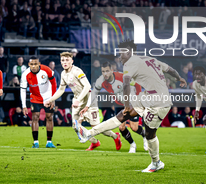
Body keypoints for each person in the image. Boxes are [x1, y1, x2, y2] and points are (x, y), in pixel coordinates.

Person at [75, 40, 187, 172]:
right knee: (123, 115)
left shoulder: (130, 63)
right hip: (148, 95)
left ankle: (156, 163)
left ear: (128, 52)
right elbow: (171, 70)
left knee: (150, 134)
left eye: (121, 53)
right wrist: (180, 78)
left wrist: (127, 104)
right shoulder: (150, 59)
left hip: (160, 102)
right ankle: (88, 133)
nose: (119, 57)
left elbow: (126, 84)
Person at [44, 52, 122, 151]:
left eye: (67, 60)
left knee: (96, 127)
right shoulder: (63, 74)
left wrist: (78, 100)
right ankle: (95, 142)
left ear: (72, 61)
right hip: (78, 100)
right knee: (75, 126)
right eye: (63, 60)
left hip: (89, 99)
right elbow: (61, 89)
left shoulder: (77, 71)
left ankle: (115, 136)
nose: (65, 62)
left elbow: (88, 86)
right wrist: (50, 100)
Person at [93, 62, 147, 153]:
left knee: (134, 127)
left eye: (107, 71)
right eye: (103, 71)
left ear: (112, 71)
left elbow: (137, 85)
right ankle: (132, 144)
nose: (105, 73)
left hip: (131, 103)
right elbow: (94, 92)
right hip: (119, 104)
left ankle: (145, 136)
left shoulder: (122, 77)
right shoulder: (101, 81)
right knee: (121, 127)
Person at [20, 56, 57, 148]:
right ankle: (36, 142)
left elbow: (54, 83)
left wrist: (53, 99)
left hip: (48, 97)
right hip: (35, 98)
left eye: (35, 64)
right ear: (29, 65)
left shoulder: (47, 70)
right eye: (31, 64)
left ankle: (49, 142)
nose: (33, 66)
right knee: (35, 118)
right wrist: (24, 105)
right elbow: (23, 90)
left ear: (39, 64)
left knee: (49, 117)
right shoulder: (25, 74)